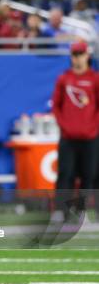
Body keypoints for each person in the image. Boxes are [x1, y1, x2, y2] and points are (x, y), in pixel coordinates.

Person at [52, 41, 98, 206]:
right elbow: (56, 105)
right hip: (68, 137)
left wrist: (93, 127)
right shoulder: (64, 79)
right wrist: (64, 125)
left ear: (87, 55)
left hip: (91, 138)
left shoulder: (95, 79)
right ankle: (60, 210)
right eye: (74, 55)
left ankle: (82, 211)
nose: (77, 58)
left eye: (80, 54)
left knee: (89, 175)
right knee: (65, 174)